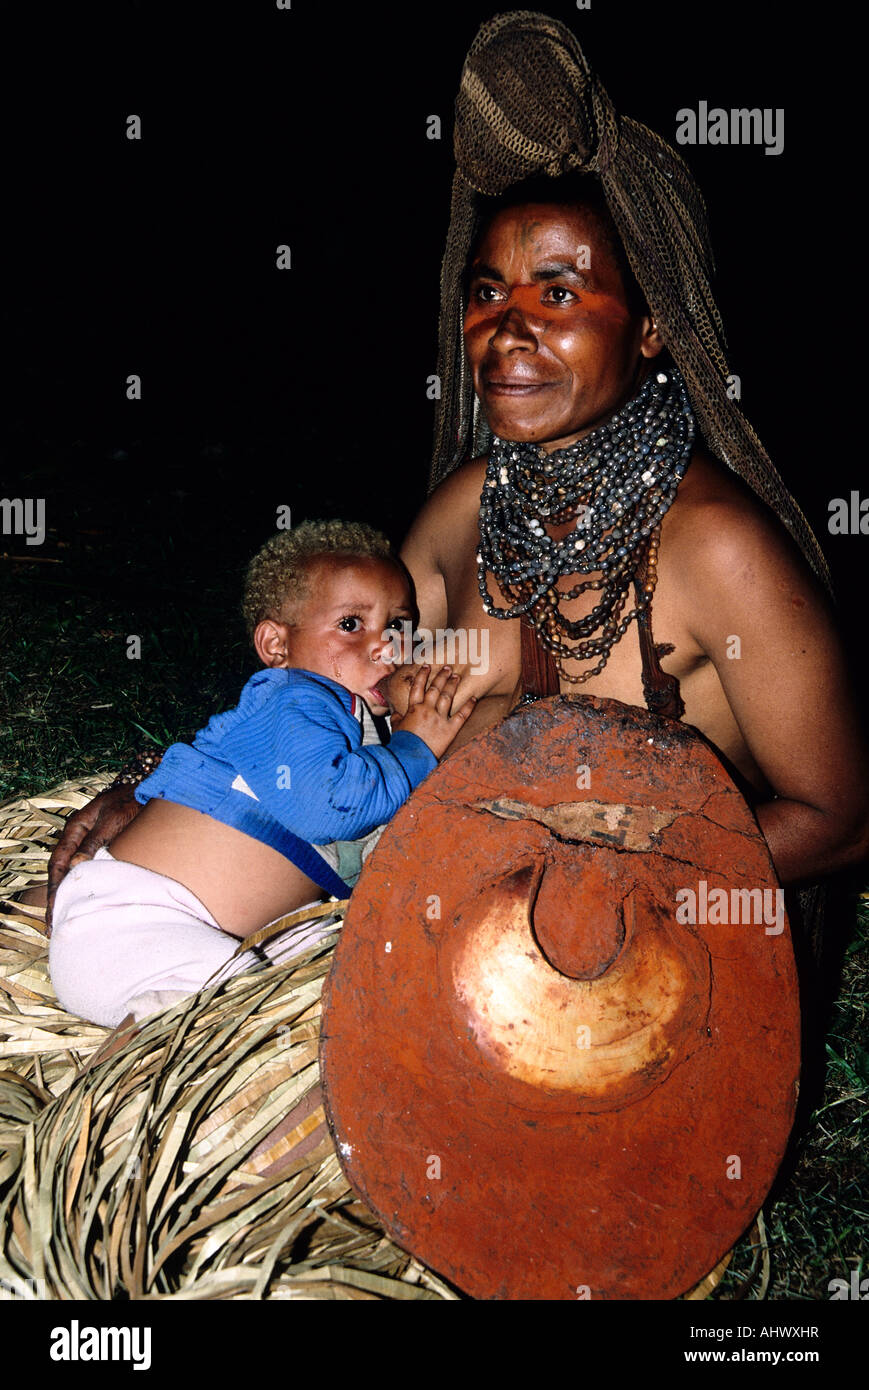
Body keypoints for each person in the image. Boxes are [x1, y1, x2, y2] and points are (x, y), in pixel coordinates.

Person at [48, 12, 867, 950]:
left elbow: (840, 819)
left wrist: (600, 882)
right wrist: (157, 787)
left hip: (616, 955)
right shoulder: (465, 508)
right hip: (410, 907)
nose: (507, 330)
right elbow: (328, 684)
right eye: (488, 293)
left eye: (557, 293)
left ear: (650, 327)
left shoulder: (715, 546)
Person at [48, 519, 475, 1026]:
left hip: (196, 934)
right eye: (350, 625)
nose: (386, 648)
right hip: (133, 928)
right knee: (228, 1008)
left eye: (397, 628)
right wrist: (416, 745)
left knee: (335, 962)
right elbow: (331, 804)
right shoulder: (295, 698)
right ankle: (127, 1073)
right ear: (276, 646)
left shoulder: (349, 720)